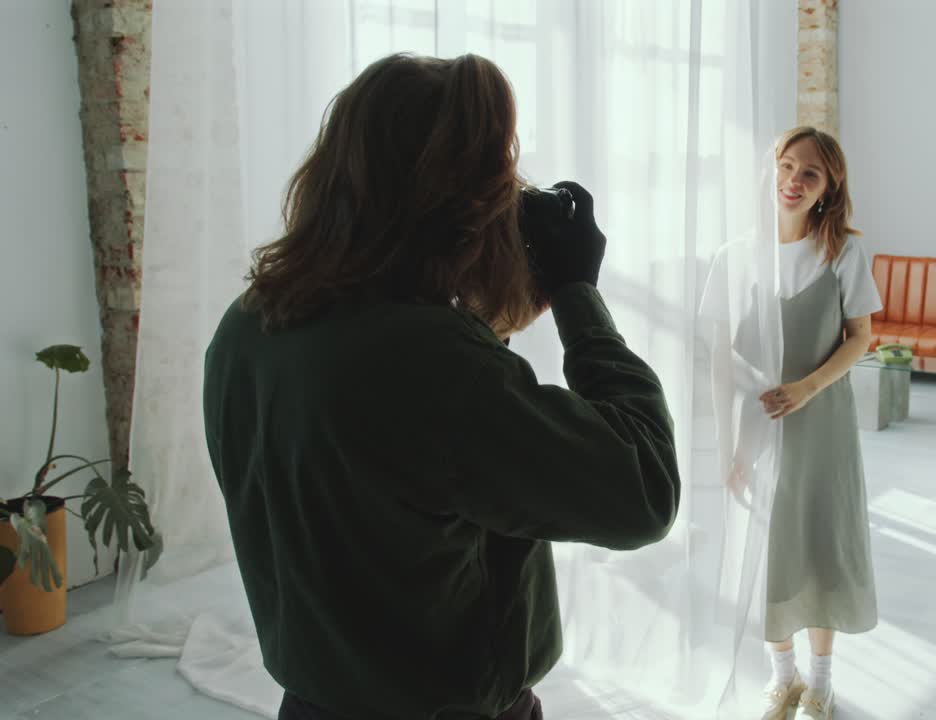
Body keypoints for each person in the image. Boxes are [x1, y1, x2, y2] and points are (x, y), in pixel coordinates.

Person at [202, 53, 681, 720]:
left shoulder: (251, 322)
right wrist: (577, 295)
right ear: (454, 200)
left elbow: (409, 463)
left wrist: (488, 311)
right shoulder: (428, 363)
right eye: (499, 176)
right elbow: (644, 489)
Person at [751, 127, 882, 720]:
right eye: (786, 166)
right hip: (758, 425)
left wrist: (805, 388)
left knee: (821, 542)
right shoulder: (744, 251)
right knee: (766, 548)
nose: (793, 182)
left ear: (829, 189)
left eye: (810, 174)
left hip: (822, 420)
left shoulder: (845, 252)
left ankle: (821, 682)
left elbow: (861, 339)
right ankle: (784, 677)